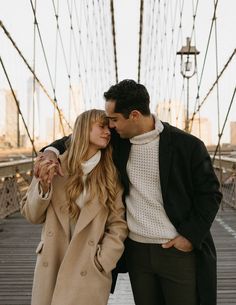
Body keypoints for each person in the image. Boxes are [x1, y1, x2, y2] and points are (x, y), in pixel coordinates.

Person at [35, 80, 222, 305]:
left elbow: (210, 194)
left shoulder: (188, 145)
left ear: (134, 115)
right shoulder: (119, 142)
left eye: (113, 120)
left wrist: (190, 237)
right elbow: (76, 139)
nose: (110, 126)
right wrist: (52, 152)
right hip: (137, 252)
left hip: (176, 250)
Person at [20, 109, 128, 305]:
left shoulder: (110, 174)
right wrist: (44, 187)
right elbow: (32, 216)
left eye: (109, 127)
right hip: (54, 262)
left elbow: (118, 225)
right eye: (101, 126)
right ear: (84, 128)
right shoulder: (53, 165)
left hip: (88, 269)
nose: (108, 131)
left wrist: (103, 261)